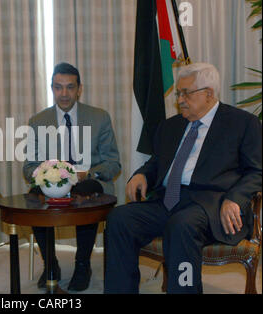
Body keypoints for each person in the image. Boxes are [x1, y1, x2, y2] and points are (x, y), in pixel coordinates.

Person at [104, 62, 262, 294]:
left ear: (209, 94)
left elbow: (257, 170)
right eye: (179, 93)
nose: (179, 100)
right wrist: (141, 174)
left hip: (209, 205)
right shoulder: (170, 126)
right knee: (119, 218)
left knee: (181, 226)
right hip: (167, 200)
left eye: (185, 93)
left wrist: (235, 198)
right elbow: (157, 162)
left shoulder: (241, 123)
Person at [23, 62, 121, 291]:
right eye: (58, 87)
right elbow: (29, 166)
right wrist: (47, 173)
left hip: (88, 181)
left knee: (83, 194)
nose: (64, 93)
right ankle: (51, 264)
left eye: (70, 87)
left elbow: (113, 163)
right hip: (52, 182)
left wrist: (89, 172)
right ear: (52, 88)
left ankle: (82, 264)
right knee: (33, 198)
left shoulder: (99, 117)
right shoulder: (38, 121)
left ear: (79, 89)